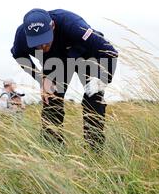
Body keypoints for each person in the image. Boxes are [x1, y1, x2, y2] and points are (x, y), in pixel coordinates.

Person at [11, 9, 118, 151]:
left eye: (45, 39)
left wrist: (101, 80)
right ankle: (52, 150)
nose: (42, 47)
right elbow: (19, 55)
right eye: (37, 43)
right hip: (55, 62)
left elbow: (109, 51)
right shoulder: (21, 35)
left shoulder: (73, 25)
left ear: (53, 26)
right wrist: (40, 78)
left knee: (93, 98)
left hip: (83, 54)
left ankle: (94, 150)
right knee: (51, 99)